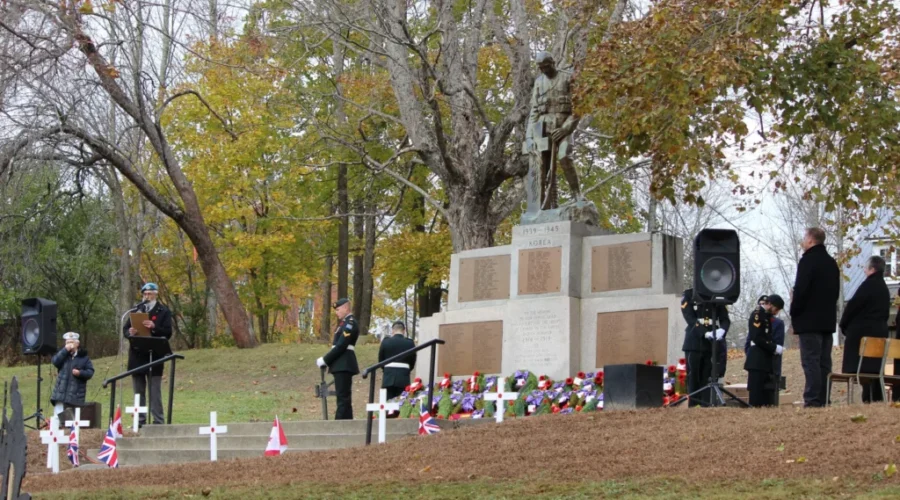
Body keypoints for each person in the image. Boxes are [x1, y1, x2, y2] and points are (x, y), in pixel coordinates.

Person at [523, 51, 581, 216]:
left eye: (546, 67)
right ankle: (547, 205)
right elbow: (534, 111)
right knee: (542, 168)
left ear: (553, 63)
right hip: (543, 129)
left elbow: (578, 108)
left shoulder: (568, 78)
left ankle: (577, 195)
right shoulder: (539, 82)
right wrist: (529, 136)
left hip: (563, 128)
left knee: (564, 156)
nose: (543, 70)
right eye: (541, 68)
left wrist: (566, 128)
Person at [790, 227, 840, 408]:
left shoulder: (808, 261)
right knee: (824, 362)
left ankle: (812, 399)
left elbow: (801, 290)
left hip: (809, 320)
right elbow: (835, 292)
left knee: (810, 360)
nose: (803, 241)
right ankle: (824, 398)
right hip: (827, 321)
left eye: (805, 238)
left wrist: (794, 311)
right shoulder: (831, 263)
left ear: (811, 240)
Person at [839, 255, 891, 403]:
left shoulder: (868, 285)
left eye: (865, 268)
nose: (864, 271)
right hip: (880, 333)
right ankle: (874, 399)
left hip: (862, 335)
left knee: (862, 369)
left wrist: (844, 324)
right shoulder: (884, 289)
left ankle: (867, 399)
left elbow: (853, 306)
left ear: (872, 269)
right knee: (874, 370)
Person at [123, 282, 173, 426]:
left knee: (154, 391)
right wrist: (129, 333)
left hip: (155, 354)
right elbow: (126, 329)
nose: (147, 296)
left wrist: (154, 327)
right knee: (138, 391)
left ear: (156, 294)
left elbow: (168, 332)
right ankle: (139, 421)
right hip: (137, 354)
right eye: (145, 294)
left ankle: (158, 421)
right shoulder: (137, 309)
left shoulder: (163, 311)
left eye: (150, 294)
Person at [681, 288, 731, 407]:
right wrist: (704, 332)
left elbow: (725, 318)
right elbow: (689, 317)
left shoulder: (717, 295)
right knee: (693, 376)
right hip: (694, 340)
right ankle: (693, 406)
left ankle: (706, 406)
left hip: (711, 342)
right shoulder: (689, 295)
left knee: (708, 376)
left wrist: (722, 330)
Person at [316, 298, 359, 420]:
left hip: (344, 363)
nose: (336, 312)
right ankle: (346, 423)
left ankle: (339, 424)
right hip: (340, 363)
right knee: (343, 397)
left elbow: (341, 345)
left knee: (343, 398)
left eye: (338, 309)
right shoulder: (344, 323)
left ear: (346, 308)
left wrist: (325, 360)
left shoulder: (350, 323)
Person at [744, 296, 785, 407]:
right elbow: (756, 337)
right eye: (776, 309)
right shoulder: (757, 315)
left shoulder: (766, 316)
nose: (776, 313)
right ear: (771, 305)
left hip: (764, 360)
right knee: (756, 397)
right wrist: (774, 347)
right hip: (757, 360)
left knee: (766, 398)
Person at [50, 332, 95, 422]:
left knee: (72, 422)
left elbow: (90, 372)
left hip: (75, 395)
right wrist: (64, 350)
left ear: (77, 344)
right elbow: (55, 361)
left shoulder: (84, 358)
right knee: (57, 419)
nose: (69, 345)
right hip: (60, 394)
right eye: (67, 343)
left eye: (71, 342)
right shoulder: (63, 356)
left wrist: (80, 373)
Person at [378, 320, 416, 417]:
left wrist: (386, 370)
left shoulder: (386, 342)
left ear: (392, 331)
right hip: (403, 376)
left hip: (388, 376)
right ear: (404, 331)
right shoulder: (410, 343)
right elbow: (412, 361)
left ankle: (387, 423)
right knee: (402, 403)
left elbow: (381, 360)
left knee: (387, 404)